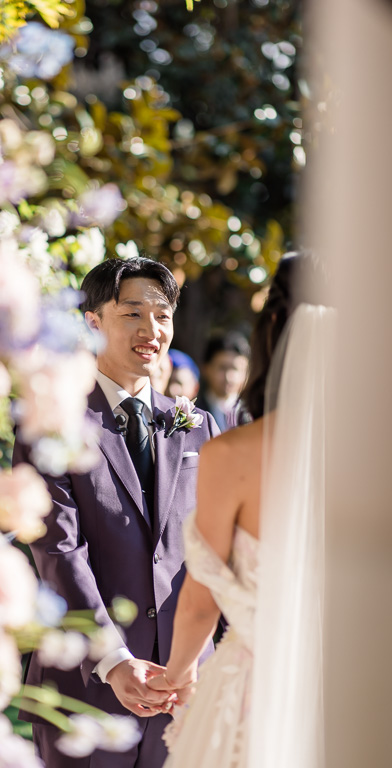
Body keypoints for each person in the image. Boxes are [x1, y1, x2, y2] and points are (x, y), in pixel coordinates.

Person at [13, 256, 220, 768]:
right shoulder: (54, 422)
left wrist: (196, 658)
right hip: (86, 689)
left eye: (163, 315)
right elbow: (59, 551)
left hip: (186, 688)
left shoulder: (199, 426)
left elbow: (215, 551)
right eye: (133, 314)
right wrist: (114, 660)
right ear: (94, 320)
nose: (152, 329)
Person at [148, 251, 331, 768]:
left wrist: (177, 672)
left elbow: (201, 602)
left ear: (271, 329)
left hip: (259, 688)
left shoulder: (233, 453)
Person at [196, 331, 250, 430]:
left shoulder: (253, 415)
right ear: (206, 369)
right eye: (222, 368)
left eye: (235, 369)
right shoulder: (193, 412)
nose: (228, 377)